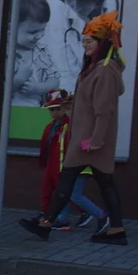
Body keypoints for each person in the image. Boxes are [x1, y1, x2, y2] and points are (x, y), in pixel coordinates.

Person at [19, 11, 128, 245]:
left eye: (89, 41)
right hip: (84, 139)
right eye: (84, 41)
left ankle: (48, 223)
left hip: (91, 141)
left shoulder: (105, 72)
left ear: (102, 43)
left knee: (71, 180)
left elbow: (103, 110)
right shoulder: (94, 68)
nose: (85, 46)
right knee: (93, 183)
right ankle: (113, 229)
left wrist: (96, 140)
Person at [36, 89, 108, 231]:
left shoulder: (75, 124)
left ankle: (101, 215)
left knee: (74, 195)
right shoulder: (54, 127)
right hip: (67, 167)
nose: (54, 113)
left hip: (79, 166)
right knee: (64, 192)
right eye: (51, 110)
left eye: (58, 109)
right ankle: (64, 219)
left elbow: (88, 141)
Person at [11, 0, 58, 106]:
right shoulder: (4, 52)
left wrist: (39, 88)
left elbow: (55, 80)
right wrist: (19, 79)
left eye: (43, 30)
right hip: (8, 113)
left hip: (35, 111)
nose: (39, 36)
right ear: (10, 28)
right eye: (32, 32)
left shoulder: (41, 52)